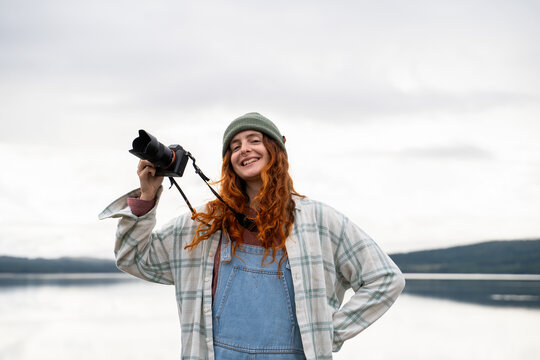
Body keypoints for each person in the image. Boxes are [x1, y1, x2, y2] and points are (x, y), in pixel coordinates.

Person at [99, 112, 405, 360]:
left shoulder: (320, 221)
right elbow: (133, 258)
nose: (244, 148)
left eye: (254, 140)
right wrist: (147, 195)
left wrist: (329, 332)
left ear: (275, 150)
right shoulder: (204, 224)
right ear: (228, 162)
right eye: (234, 146)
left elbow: (385, 279)